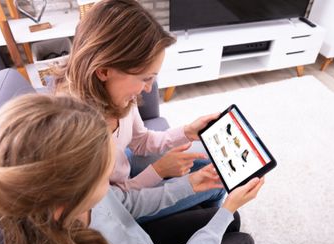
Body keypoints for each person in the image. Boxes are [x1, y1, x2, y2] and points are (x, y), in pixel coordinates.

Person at [0, 94, 264, 244]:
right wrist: (224, 212)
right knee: (243, 242)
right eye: (105, 176)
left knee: (230, 219)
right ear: (64, 204)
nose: (111, 182)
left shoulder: (64, 202)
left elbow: (127, 203)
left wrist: (190, 185)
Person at [53, 0, 225, 222]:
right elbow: (116, 206)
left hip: (122, 175)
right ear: (104, 70)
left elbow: (140, 141)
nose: (149, 88)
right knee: (216, 185)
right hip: (115, 210)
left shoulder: (118, 96)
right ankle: (203, 223)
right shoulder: (78, 135)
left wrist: (187, 131)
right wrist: (159, 171)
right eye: (145, 78)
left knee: (210, 163)